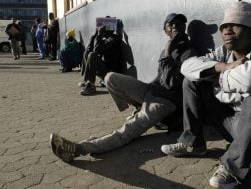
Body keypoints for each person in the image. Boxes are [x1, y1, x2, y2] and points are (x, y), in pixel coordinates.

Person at [160, 1, 251, 189]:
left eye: (235, 25)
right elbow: (187, 67)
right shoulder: (222, 54)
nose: (227, 31)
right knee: (191, 81)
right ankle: (193, 143)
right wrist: (222, 67)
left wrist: (216, 78)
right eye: (224, 27)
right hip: (231, 126)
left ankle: (233, 167)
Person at [50, 13, 193, 162]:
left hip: (166, 101)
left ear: (184, 28)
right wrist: (145, 91)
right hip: (152, 92)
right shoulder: (165, 50)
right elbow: (160, 78)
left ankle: (79, 149)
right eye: (171, 25)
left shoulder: (188, 51)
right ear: (166, 31)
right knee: (110, 78)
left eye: (180, 24)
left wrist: (169, 50)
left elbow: (171, 83)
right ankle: (138, 107)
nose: (176, 27)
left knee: (128, 130)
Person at [79, 22, 123, 95]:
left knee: (92, 55)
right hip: (106, 70)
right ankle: (87, 82)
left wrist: (99, 35)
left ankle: (90, 87)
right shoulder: (106, 38)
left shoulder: (114, 39)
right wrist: (95, 35)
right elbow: (89, 50)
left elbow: (96, 51)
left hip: (112, 74)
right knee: (87, 53)